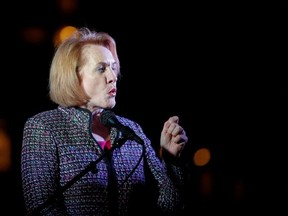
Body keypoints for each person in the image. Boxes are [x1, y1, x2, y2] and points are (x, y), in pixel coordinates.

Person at [21, 27, 189, 216]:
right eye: (101, 69)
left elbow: (169, 207)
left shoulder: (131, 130)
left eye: (113, 68)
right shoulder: (44, 127)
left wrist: (171, 159)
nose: (112, 77)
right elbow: (41, 208)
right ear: (73, 77)